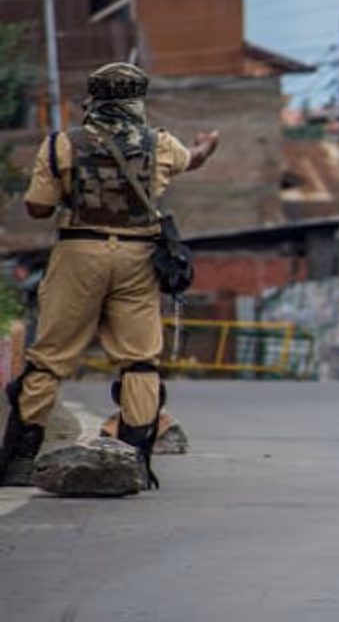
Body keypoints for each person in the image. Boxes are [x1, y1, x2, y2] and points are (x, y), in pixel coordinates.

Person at [0, 62, 219, 488]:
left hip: (79, 253)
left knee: (50, 357)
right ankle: (134, 458)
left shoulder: (63, 145)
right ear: (138, 99)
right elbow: (191, 160)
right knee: (139, 360)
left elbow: (38, 208)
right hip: (139, 258)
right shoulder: (160, 143)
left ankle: (20, 458)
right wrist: (206, 147)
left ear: (94, 99)